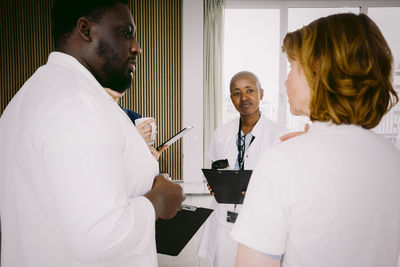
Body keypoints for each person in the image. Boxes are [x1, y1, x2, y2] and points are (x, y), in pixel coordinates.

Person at [0, 0, 184, 266]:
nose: (136, 47)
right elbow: (98, 238)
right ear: (85, 29)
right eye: (126, 33)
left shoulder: (24, 100)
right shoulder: (77, 102)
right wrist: (159, 200)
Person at [232, 13, 400, 267]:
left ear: (318, 71)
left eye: (292, 66)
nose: (286, 79)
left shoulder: (283, 162)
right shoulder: (392, 159)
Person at [197, 71, 287, 267]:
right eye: (237, 93)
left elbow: (284, 183)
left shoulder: (280, 135)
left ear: (261, 94)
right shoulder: (222, 133)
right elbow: (216, 166)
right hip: (225, 220)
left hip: (260, 220)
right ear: (231, 98)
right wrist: (215, 185)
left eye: (249, 91)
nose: (244, 97)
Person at [104, 88, 169, 160]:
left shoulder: (133, 117)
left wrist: (150, 157)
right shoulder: (95, 117)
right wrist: (132, 137)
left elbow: (135, 158)